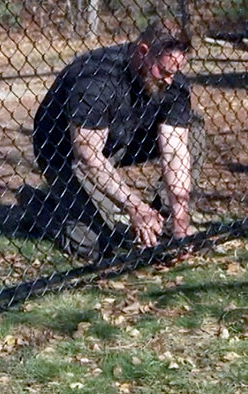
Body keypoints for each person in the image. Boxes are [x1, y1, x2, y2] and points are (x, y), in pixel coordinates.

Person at [30, 18, 199, 261]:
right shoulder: (96, 79)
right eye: (163, 71)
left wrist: (181, 224)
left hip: (121, 139)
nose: (169, 80)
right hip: (65, 155)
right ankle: (40, 204)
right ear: (143, 52)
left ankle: (162, 224)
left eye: (175, 71)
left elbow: (175, 152)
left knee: (193, 130)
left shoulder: (172, 82)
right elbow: (87, 157)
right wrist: (135, 207)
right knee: (94, 245)